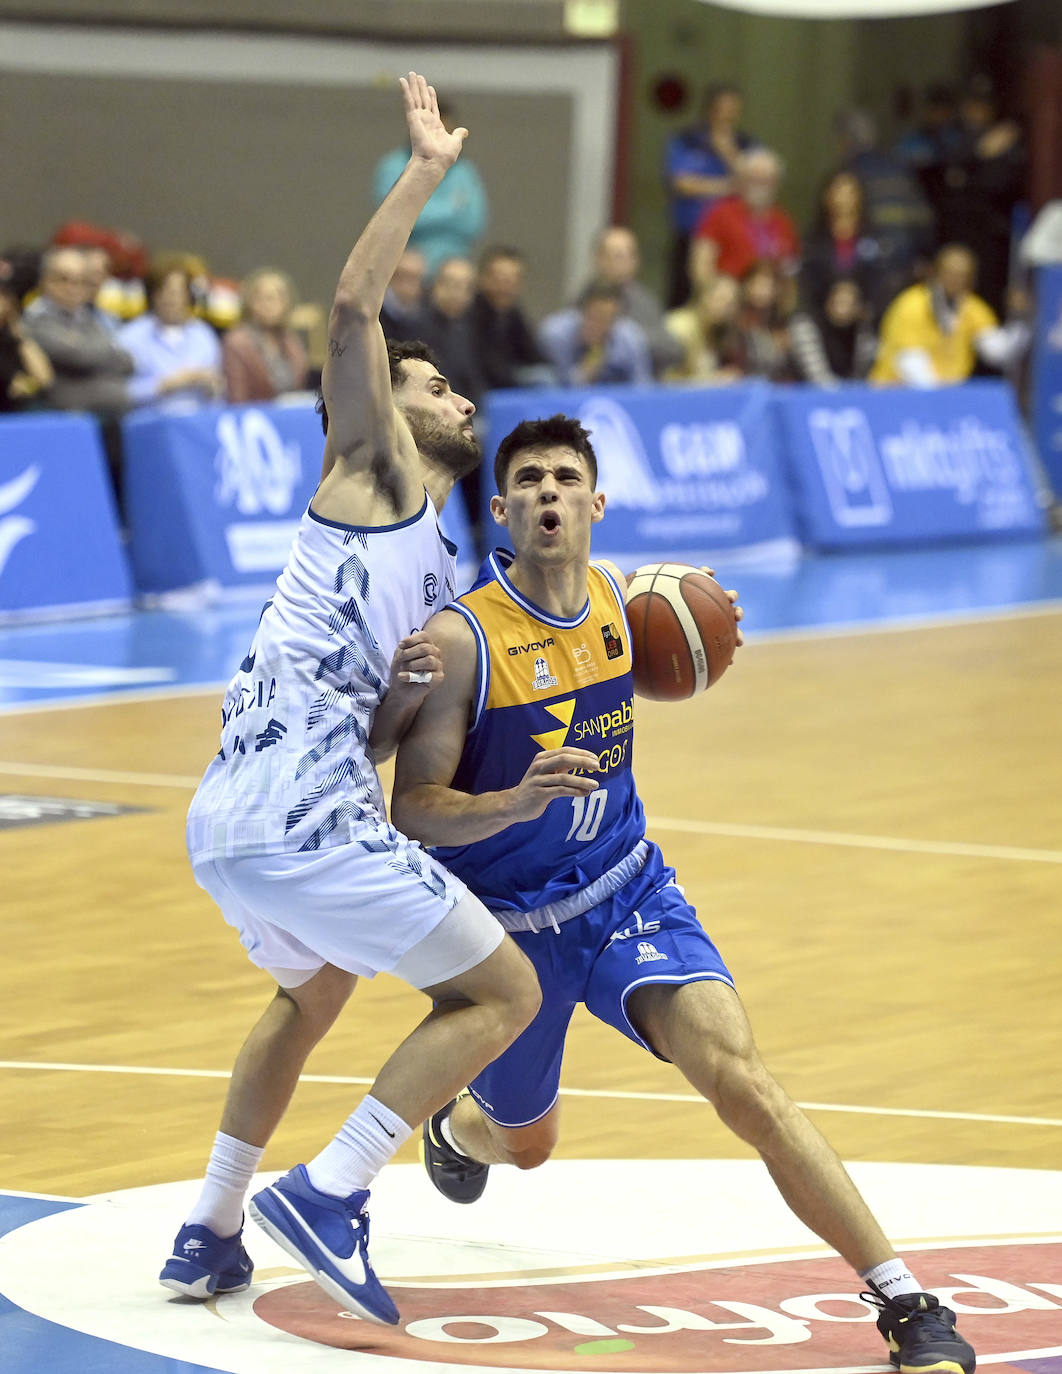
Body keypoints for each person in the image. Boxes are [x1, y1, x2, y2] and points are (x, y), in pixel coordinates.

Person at [389, 412, 977, 1374]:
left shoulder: (625, 604)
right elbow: (413, 809)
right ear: (499, 510)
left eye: (565, 478)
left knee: (742, 1081)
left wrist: (706, 627)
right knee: (526, 1144)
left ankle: (906, 1299)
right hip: (511, 938)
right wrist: (513, 801)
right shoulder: (463, 639)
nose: (547, 492)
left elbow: (668, 648)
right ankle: (458, 1129)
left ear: (597, 503)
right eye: (528, 480)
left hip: (629, 894)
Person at [158, 72, 540, 1326]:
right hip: (299, 820)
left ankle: (210, 1230)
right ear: (379, 407)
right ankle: (332, 1192)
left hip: (235, 817)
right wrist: (425, 172)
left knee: (312, 990)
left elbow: (372, 737)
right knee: (502, 995)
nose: (459, 398)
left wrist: (398, 702)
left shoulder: (438, 561)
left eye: (455, 390)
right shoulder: (373, 473)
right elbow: (350, 307)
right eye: (433, 387)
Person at [870, 243, 1027, 387]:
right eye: (950, 273)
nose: (956, 280)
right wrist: (941, 397)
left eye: (963, 275)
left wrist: (1019, 317)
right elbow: (909, 361)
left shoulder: (972, 307)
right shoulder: (911, 304)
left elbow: (996, 351)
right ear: (935, 273)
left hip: (945, 394)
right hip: (896, 393)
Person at [663, 82, 757, 307]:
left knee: (728, 299)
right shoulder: (686, 140)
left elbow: (755, 183)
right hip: (690, 232)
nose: (727, 116)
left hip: (730, 239)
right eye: (722, 109)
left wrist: (728, 152)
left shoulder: (746, 144)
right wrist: (727, 187)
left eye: (733, 110)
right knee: (683, 297)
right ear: (709, 110)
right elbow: (682, 183)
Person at [373, 96, 488, 277]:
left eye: (445, 130)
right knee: (409, 268)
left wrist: (420, 208)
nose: (439, 136)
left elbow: (473, 224)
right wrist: (452, 209)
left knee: (460, 274)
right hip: (405, 257)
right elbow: (393, 218)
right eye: (433, 129)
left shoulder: (465, 172)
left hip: (453, 261)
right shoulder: (393, 166)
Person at [689, 148, 800, 292]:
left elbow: (790, 271)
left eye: (767, 180)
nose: (760, 186)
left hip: (769, 300)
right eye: (754, 179)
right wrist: (716, 295)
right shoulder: (719, 214)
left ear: (777, 184)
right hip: (729, 298)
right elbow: (701, 266)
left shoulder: (783, 221)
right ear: (741, 181)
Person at [118, 257, 224, 408]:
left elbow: (220, 395)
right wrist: (167, 385)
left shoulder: (204, 335)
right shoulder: (130, 336)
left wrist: (214, 386)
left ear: (189, 296)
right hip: (151, 418)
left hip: (198, 418)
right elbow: (119, 393)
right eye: (163, 291)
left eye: (178, 292)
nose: (171, 299)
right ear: (152, 295)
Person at [583, 225, 683, 377]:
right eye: (617, 256)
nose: (624, 263)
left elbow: (672, 350)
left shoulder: (645, 303)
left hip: (633, 381)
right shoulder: (584, 297)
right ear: (599, 259)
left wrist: (624, 337)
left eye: (629, 256)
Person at [538, 280, 653, 386]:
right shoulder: (556, 335)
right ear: (581, 311)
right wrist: (584, 373)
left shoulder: (631, 339)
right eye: (593, 317)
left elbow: (643, 388)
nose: (598, 325)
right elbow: (556, 388)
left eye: (607, 319)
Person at [468, 245, 552, 390]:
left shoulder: (513, 313)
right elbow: (484, 367)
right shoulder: (469, 314)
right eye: (499, 279)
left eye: (511, 281)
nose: (505, 288)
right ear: (483, 278)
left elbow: (532, 353)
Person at [221, 267, 310, 402]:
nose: (274, 305)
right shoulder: (237, 343)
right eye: (268, 298)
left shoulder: (291, 340)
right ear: (251, 302)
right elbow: (237, 399)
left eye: (281, 298)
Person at [789, 277, 877, 386]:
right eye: (840, 302)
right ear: (828, 301)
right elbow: (817, 376)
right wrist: (844, 392)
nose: (844, 309)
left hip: (851, 390)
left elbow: (865, 372)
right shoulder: (806, 325)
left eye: (851, 303)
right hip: (806, 391)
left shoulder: (863, 330)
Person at [379, 247, 429, 344]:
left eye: (414, 278)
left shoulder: (426, 317)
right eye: (402, 276)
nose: (407, 285)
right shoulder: (375, 315)